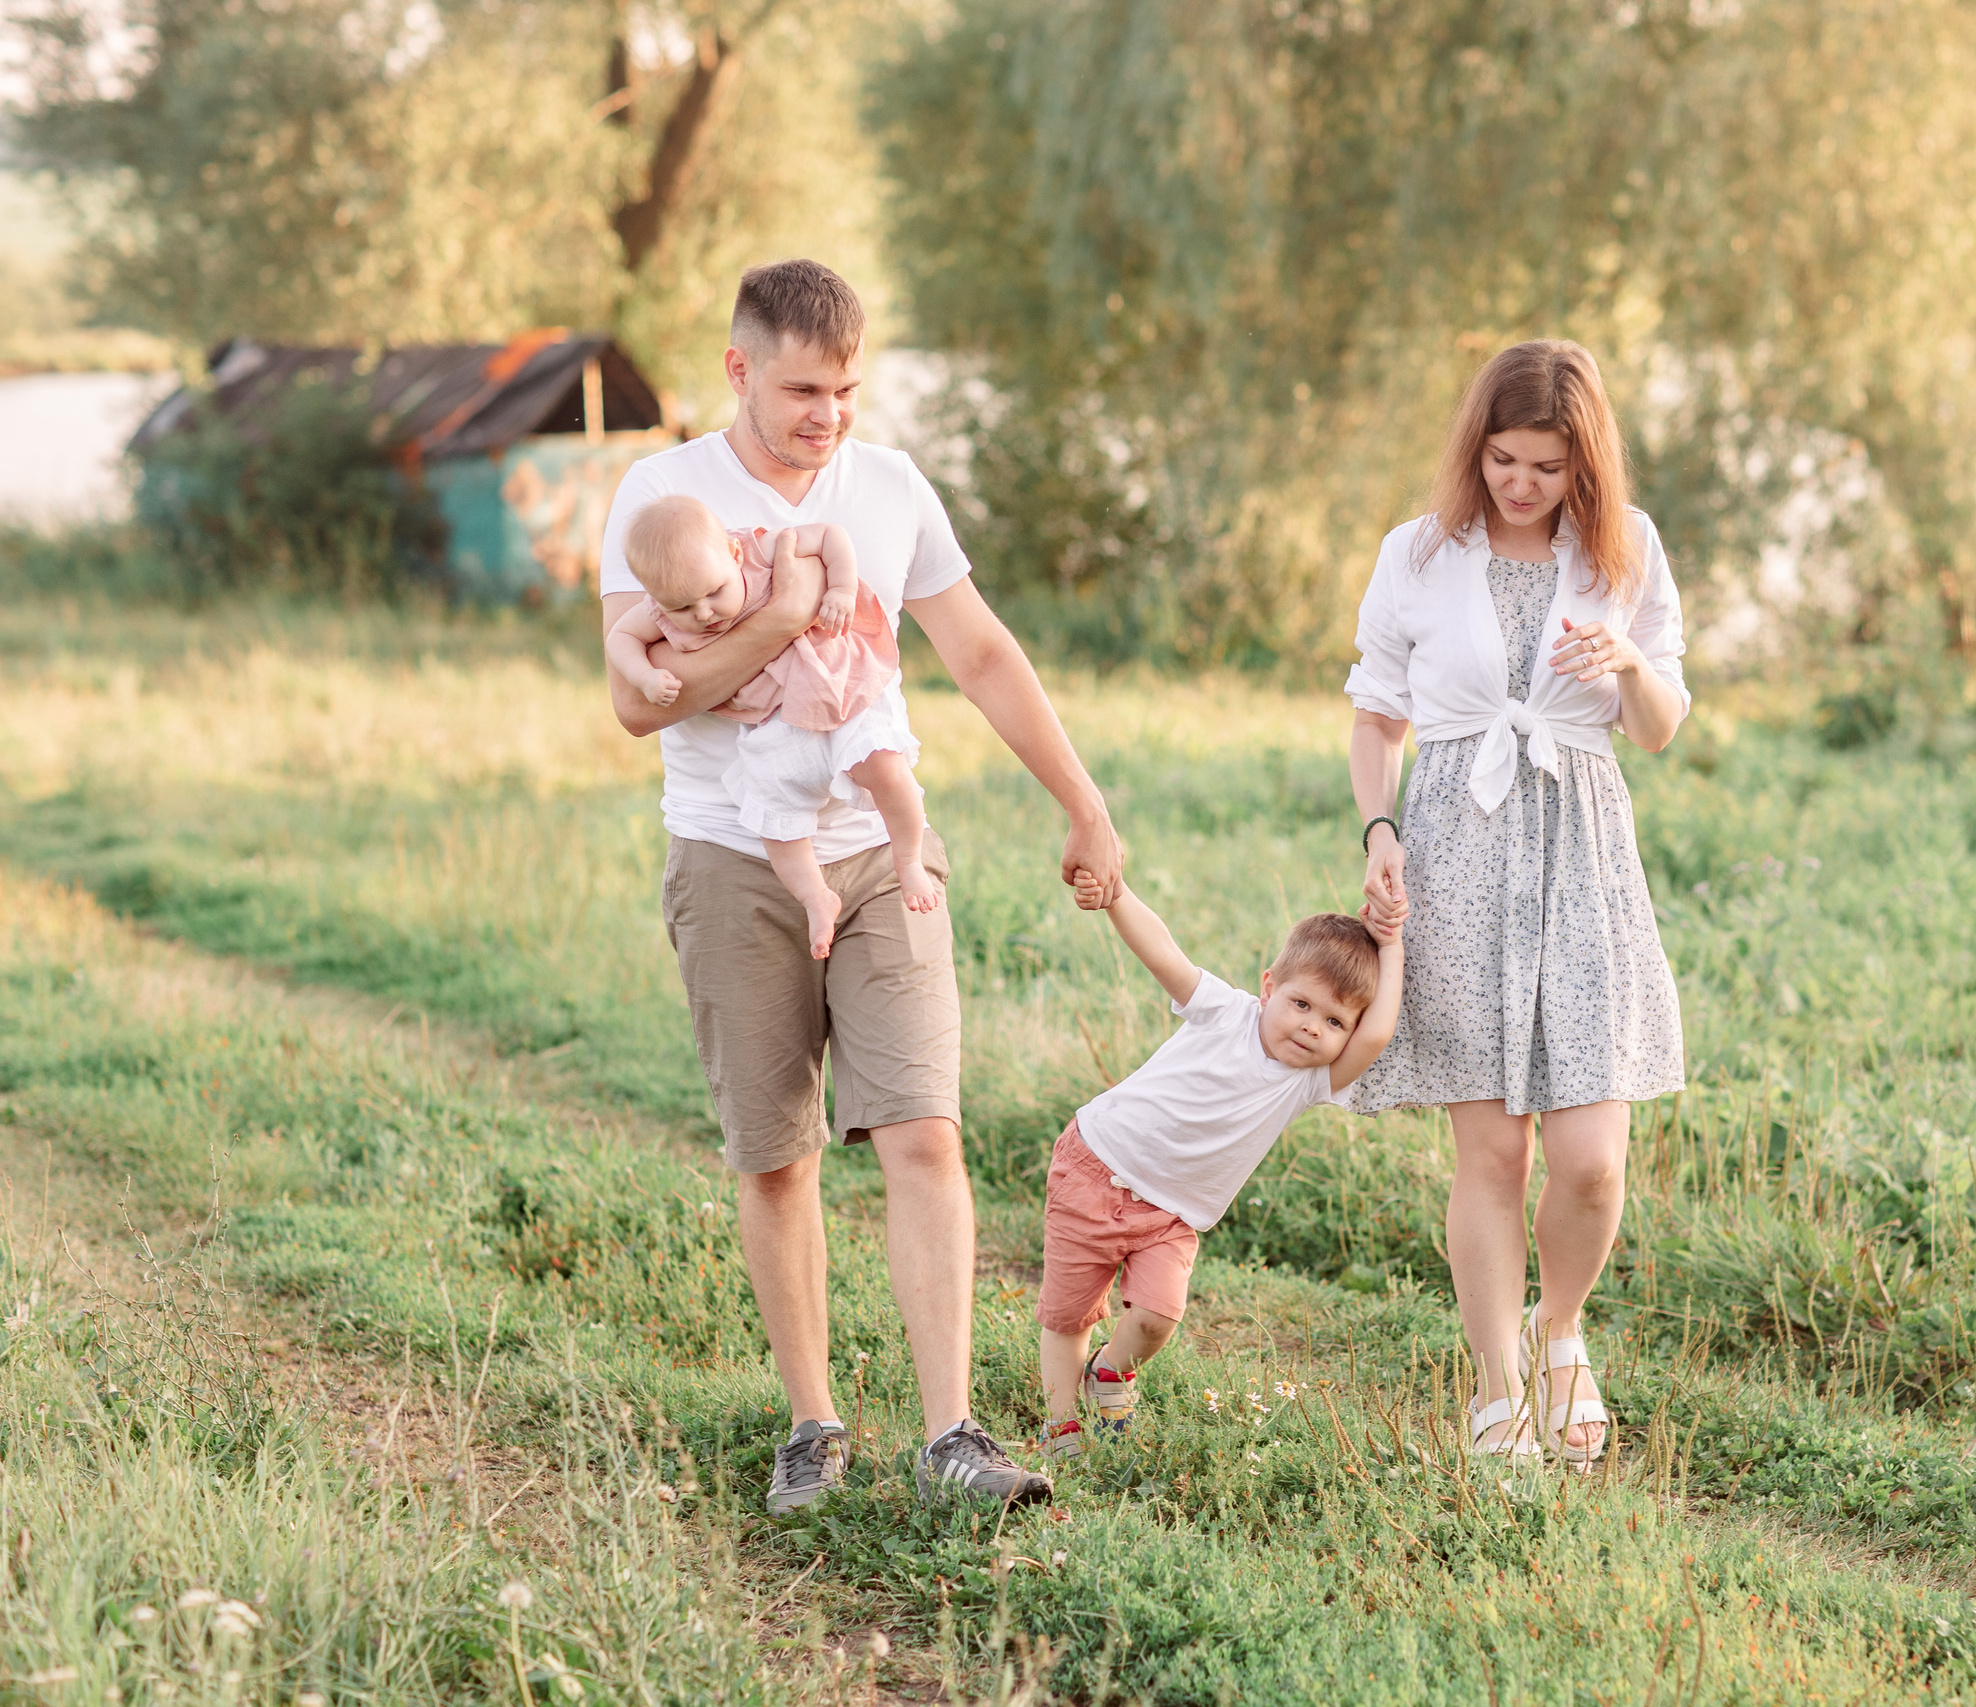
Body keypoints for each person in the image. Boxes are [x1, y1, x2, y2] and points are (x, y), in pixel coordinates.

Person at [599, 259, 1126, 1514]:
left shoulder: (886, 488)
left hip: (886, 855)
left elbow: (983, 651)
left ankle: (951, 1437)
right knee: (776, 1156)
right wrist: (782, 616)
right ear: (737, 370)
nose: (825, 414)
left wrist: (1083, 797)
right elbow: (636, 701)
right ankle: (813, 1425)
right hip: (735, 857)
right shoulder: (663, 493)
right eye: (799, 388)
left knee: (923, 1130)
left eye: (843, 388)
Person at [1342, 339, 1688, 1471]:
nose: (1519, 484)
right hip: (1452, 850)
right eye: (1501, 459)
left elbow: (1659, 726)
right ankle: (1497, 1394)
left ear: (1582, 462)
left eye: (1544, 465)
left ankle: (1558, 1330)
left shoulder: (1625, 550)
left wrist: (1626, 663)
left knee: (1590, 1160)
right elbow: (1376, 712)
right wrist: (1378, 830)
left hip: (1582, 854)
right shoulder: (1419, 552)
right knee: (1491, 1155)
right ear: (1474, 450)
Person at [1031, 882, 1403, 1459]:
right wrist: (1115, 894)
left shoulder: (1309, 1083)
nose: (1311, 1027)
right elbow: (1164, 953)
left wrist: (1392, 940)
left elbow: (1379, 1031)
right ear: (1269, 988)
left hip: (1171, 1215)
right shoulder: (1224, 1012)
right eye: (1301, 1005)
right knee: (1069, 1315)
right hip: (1095, 1166)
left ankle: (1109, 1370)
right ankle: (1060, 1424)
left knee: (1157, 1317)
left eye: (1334, 1022)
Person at [606, 496, 941, 951]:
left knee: (883, 764)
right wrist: (644, 676)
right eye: (682, 608)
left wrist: (841, 588)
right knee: (776, 816)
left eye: (713, 593)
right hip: (775, 724)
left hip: (837, 684)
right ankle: (816, 898)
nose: (703, 614)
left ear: (733, 554)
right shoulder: (660, 607)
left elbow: (829, 536)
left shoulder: (759, 552)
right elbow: (620, 638)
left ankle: (908, 860)